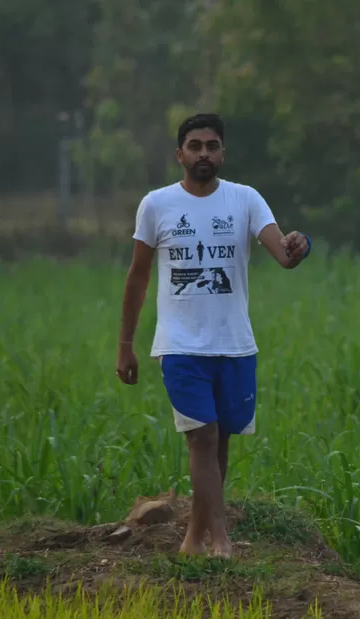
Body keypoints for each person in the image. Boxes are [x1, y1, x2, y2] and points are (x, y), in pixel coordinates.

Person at [115, 113, 311, 559]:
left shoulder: (245, 200)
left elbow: (283, 253)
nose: (204, 152)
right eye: (195, 145)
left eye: (212, 145)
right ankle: (221, 539)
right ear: (180, 154)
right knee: (201, 438)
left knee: (218, 441)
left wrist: (301, 246)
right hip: (181, 346)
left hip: (235, 344)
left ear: (222, 153)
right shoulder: (157, 205)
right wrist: (125, 345)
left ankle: (191, 539)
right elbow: (137, 277)